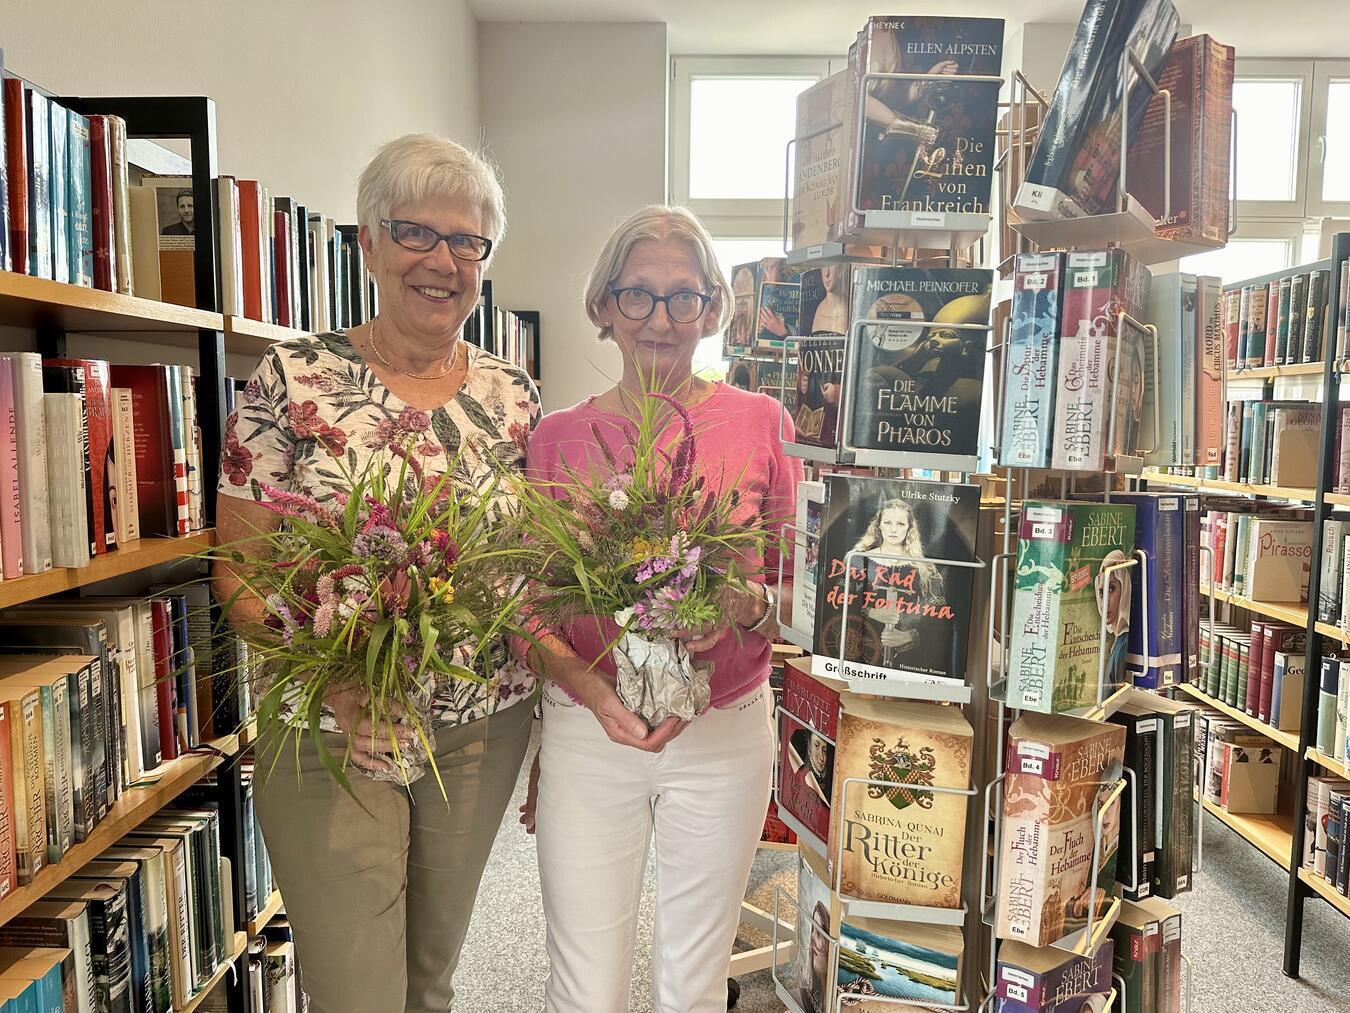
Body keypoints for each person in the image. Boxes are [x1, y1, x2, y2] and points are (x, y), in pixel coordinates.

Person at [212, 133, 539, 1013]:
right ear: (368, 242)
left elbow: (536, 573)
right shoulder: (294, 377)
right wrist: (348, 683)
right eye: (416, 233)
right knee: (359, 993)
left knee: (427, 983)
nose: (443, 260)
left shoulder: (515, 397)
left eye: (467, 240)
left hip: (481, 728)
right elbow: (239, 571)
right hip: (329, 726)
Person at [524, 204, 804, 1012]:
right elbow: (528, 605)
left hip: (720, 730)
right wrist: (588, 689)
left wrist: (741, 605)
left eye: (685, 297)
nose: (661, 318)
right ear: (602, 305)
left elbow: (797, 594)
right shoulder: (556, 439)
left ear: (714, 310)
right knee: (586, 982)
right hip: (591, 728)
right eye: (638, 295)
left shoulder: (763, 425)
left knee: (694, 976)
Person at [852, 497, 948, 674]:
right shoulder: (857, 560)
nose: (893, 529)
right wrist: (870, 611)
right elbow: (836, 604)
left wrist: (910, 636)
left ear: (909, 528)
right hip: (862, 656)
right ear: (879, 525)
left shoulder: (925, 570)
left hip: (909, 661)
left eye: (901, 524)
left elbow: (939, 618)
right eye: (888, 522)